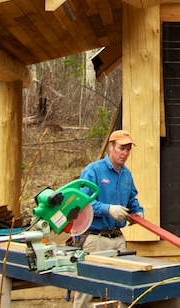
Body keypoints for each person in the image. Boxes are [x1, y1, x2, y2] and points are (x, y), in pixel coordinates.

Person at [72, 130, 144, 308]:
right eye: (121, 148)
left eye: (128, 149)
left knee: (125, 289)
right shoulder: (93, 171)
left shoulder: (126, 174)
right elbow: (82, 204)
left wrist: (138, 212)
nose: (125, 153)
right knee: (86, 289)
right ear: (110, 147)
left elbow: (132, 200)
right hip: (95, 239)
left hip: (118, 239)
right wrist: (108, 209)